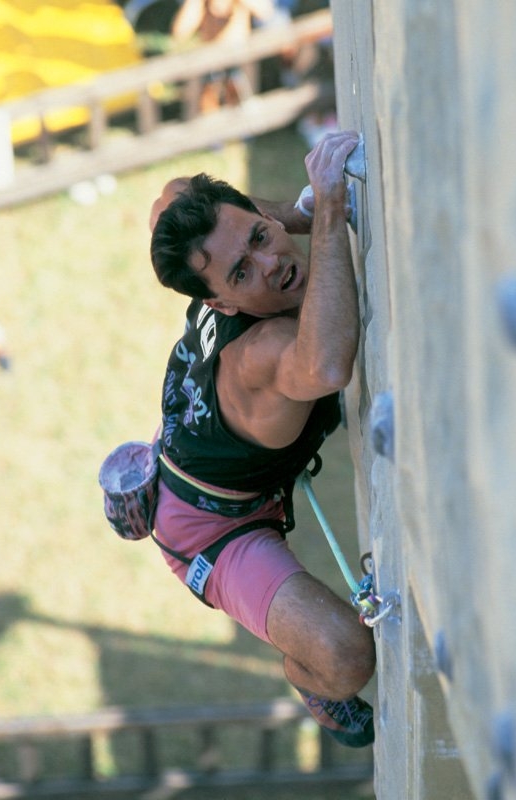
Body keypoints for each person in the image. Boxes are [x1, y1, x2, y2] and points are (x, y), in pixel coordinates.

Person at [149, 130, 375, 748]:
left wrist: (293, 214)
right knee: (346, 655)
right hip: (209, 532)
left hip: (197, 442)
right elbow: (328, 364)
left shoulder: (203, 228)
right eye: (242, 272)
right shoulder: (263, 352)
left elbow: (171, 194)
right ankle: (307, 679)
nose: (272, 262)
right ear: (220, 303)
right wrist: (326, 209)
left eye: (257, 235)